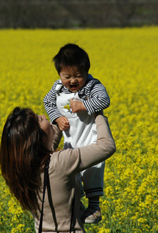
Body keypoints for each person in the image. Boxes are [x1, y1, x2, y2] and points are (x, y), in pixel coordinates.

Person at [0, 107, 115, 232]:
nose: (44, 116)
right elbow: (106, 146)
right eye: (39, 119)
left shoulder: (23, 170)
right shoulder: (61, 162)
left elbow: (48, 144)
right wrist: (97, 112)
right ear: (36, 136)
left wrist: (62, 113)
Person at [43, 43, 110, 223]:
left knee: (93, 170)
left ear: (86, 72)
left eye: (78, 76)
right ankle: (77, 206)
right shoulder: (57, 88)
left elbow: (104, 100)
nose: (73, 81)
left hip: (91, 137)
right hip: (71, 140)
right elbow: (47, 102)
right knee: (71, 174)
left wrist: (83, 105)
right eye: (67, 76)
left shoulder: (92, 86)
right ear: (59, 74)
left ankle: (94, 208)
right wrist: (56, 118)